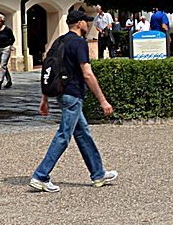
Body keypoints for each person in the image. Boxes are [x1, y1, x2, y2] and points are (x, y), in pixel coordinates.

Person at [30, 10, 117, 192]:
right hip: (73, 94)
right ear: (79, 23)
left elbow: (49, 69)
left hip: (62, 94)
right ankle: (40, 175)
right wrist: (103, 101)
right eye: (86, 21)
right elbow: (87, 74)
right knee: (64, 135)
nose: (88, 24)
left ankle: (98, 174)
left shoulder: (59, 41)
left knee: (83, 134)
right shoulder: (79, 43)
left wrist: (44, 98)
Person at [0, 14, 15, 89]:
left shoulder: (7, 30)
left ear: (3, 22)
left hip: (6, 48)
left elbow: (12, 39)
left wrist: (10, 45)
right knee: (3, 66)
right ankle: (9, 81)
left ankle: (0, 81)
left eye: (0, 21)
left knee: (3, 65)